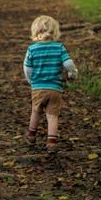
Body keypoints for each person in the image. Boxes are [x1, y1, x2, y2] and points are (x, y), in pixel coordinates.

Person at [23, 15, 78, 153]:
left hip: (38, 88)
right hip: (55, 88)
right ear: (55, 31)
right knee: (52, 115)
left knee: (36, 110)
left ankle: (31, 135)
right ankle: (51, 142)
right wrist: (72, 74)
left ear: (35, 32)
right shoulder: (59, 47)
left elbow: (27, 69)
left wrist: (32, 81)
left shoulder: (32, 49)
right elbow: (69, 64)